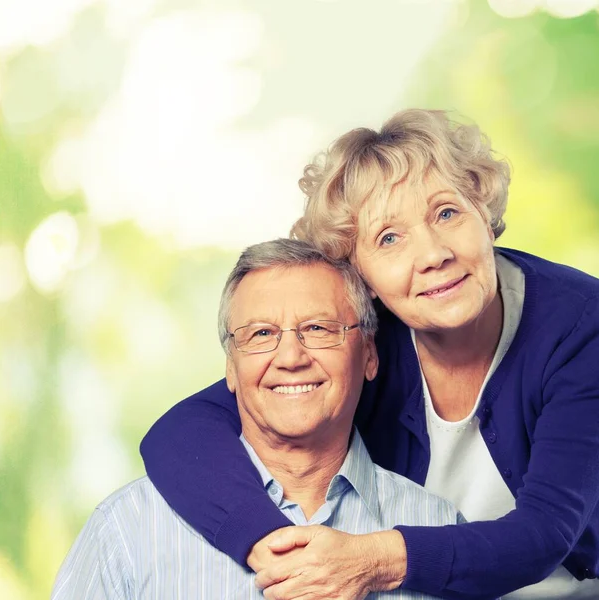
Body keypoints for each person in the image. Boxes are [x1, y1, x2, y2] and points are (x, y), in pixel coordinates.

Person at [140, 110, 599, 599]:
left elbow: (544, 534)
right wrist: (273, 546)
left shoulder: (579, 329)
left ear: (484, 215)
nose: (432, 254)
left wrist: (372, 561)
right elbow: (181, 432)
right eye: (389, 238)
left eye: (447, 212)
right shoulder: (361, 337)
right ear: (360, 275)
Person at [52, 239, 463, 600]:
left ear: (369, 356)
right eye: (261, 334)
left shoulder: (439, 528)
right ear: (231, 367)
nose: (290, 358)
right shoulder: (127, 531)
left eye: (318, 328)